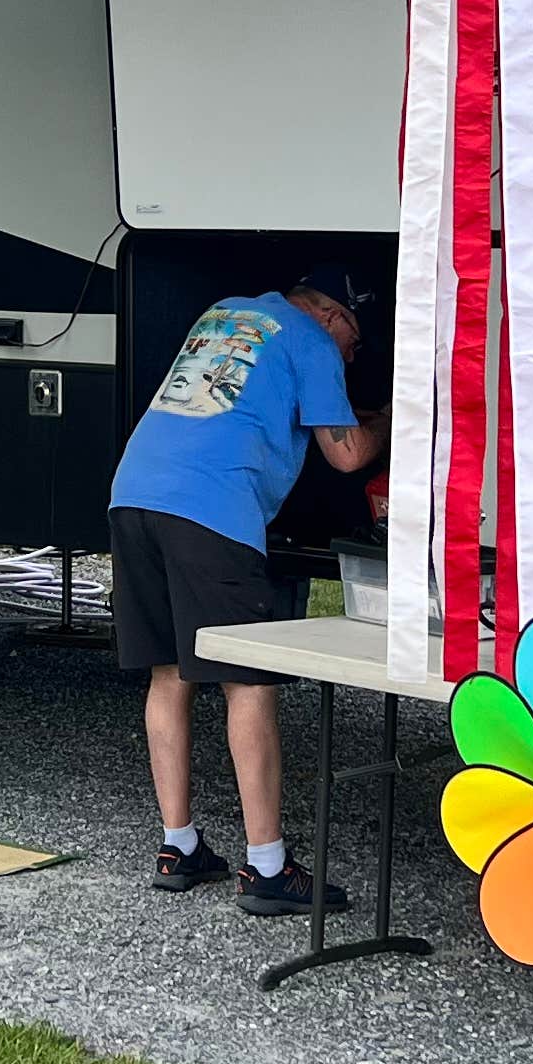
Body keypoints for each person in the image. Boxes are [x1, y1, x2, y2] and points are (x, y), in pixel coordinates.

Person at [106, 265, 384, 915]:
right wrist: (392, 421)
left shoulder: (227, 311)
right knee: (248, 682)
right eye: (355, 343)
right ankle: (267, 867)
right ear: (335, 317)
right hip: (211, 509)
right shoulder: (314, 341)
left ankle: (178, 847)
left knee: (169, 673)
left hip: (134, 495)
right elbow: (346, 453)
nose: (350, 357)